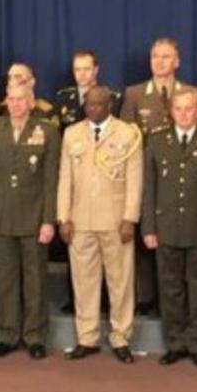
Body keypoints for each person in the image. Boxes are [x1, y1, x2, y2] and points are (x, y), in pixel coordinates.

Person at [59, 86, 143, 364]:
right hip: (81, 219)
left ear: (110, 105)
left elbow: (135, 180)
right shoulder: (72, 133)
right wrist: (63, 216)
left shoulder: (127, 134)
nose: (92, 109)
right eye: (88, 104)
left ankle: (121, 336)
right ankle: (87, 336)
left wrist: (130, 217)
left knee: (120, 282)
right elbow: (65, 179)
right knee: (84, 282)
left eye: (98, 104)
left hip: (115, 220)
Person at [142, 87, 197, 367]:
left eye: (189, 109)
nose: (184, 114)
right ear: (171, 112)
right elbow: (149, 187)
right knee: (170, 289)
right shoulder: (156, 141)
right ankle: (175, 343)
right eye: (179, 109)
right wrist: (149, 228)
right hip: (166, 227)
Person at [120, 38, 197, 314]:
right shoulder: (134, 94)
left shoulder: (192, 93)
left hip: (181, 177)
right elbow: (126, 139)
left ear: (177, 61)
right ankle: (146, 295)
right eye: (155, 56)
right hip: (146, 174)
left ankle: (181, 297)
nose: (160, 61)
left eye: (166, 56)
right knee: (147, 235)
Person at [0, 82, 60, 359]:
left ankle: (35, 336)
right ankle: (8, 334)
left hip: (34, 214)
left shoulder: (47, 131)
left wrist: (49, 220)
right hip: (2, 214)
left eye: (21, 99)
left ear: (31, 102)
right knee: (6, 279)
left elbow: (51, 180)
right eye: (11, 99)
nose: (15, 104)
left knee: (34, 279)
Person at [56, 50, 121, 130]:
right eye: (77, 69)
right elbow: (57, 130)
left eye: (86, 69)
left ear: (96, 70)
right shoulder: (63, 97)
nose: (82, 74)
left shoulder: (111, 97)